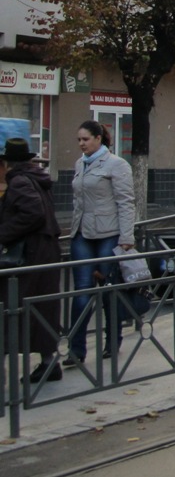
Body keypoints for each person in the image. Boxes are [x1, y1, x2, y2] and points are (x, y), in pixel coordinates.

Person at [66, 120, 134, 366]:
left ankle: (112, 341)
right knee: (82, 292)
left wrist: (126, 237)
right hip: (82, 234)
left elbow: (126, 202)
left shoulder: (117, 165)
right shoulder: (79, 164)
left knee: (108, 291)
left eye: (85, 139)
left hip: (109, 234)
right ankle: (76, 350)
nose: (81, 144)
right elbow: (78, 201)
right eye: (79, 140)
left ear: (98, 138)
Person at [0, 138, 62, 383]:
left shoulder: (19, 181)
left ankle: (6, 370)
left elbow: (32, 212)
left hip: (29, 255)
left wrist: (3, 234)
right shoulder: (36, 177)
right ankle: (49, 362)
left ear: (7, 163)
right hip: (43, 251)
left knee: (9, 307)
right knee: (40, 308)